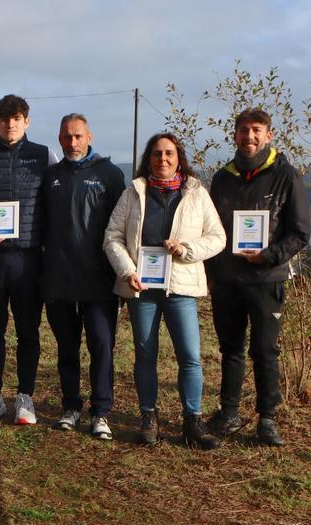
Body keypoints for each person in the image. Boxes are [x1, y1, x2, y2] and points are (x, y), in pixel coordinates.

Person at [103, 133, 225, 448]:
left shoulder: (196, 193)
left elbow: (217, 237)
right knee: (145, 355)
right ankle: (148, 418)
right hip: (142, 288)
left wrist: (186, 249)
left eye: (169, 154)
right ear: (149, 158)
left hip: (181, 287)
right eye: (157, 154)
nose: (163, 159)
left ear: (178, 157)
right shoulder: (134, 192)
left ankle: (192, 421)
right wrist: (127, 270)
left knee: (190, 356)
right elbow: (112, 236)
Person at [206, 109, 311, 446]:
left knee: (265, 351)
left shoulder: (286, 174)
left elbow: (300, 233)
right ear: (234, 135)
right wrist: (211, 274)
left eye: (256, 130)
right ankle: (230, 413)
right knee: (231, 349)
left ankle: (267, 418)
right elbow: (209, 230)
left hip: (267, 280)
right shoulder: (222, 177)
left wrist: (267, 256)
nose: (249, 137)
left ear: (268, 135)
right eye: (243, 131)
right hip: (227, 281)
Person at [0, 94, 60, 426]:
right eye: (4, 119)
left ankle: (25, 397)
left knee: (28, 330)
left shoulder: (45, 156)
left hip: (29, 259)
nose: (10, 124)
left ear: (26, 121)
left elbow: (56, 201)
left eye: (16, 118)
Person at [41, 114, 126, 440]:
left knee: (102, 346)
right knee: (67, 347)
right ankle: (71, 407)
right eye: (66, 137)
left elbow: (122, 229)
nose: (72, 143)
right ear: (60, 139)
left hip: (99, 280)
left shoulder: (110, 174)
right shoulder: (52, 176)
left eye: (78, 136)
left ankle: (101, 412)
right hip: (59, 278)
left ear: (89, 135)